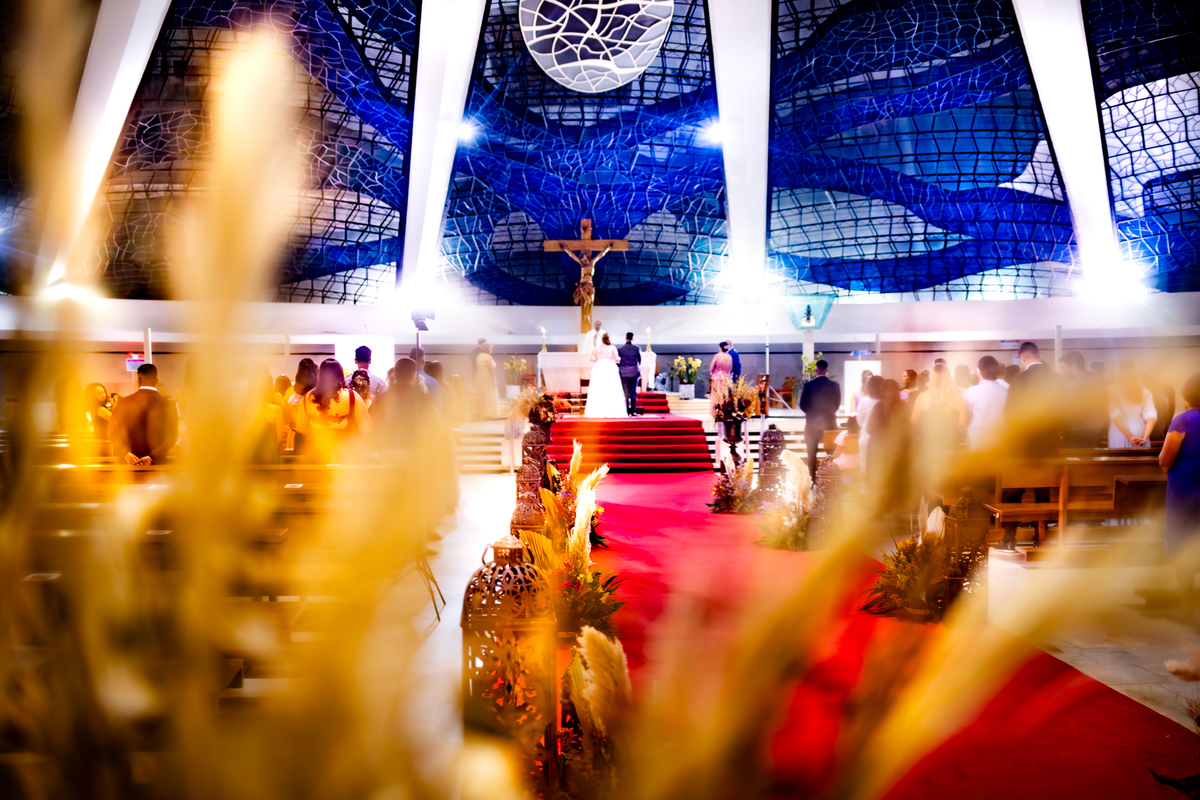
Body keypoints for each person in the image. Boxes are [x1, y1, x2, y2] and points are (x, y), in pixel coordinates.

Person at [997, 342, 1065, 550]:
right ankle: (1040, 537)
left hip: (1023, 446)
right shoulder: (1058, 380)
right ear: (1038, 354)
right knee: (1043, 492)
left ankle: (1009, 538)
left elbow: (1008, 414)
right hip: (1050, 446)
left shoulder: (1018, 380)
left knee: (1013, 491)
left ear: (1022, 358)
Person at [1160, 374, 1200, 618]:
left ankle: (1186, 598)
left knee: (1180, 537)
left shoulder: (1181, 422)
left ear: (1185, 395)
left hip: (1183, 487)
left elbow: (1165, 460)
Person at [293, 358, 370, 462]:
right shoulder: (352, 396)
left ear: (320, 376)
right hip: (345, 455)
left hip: (317, 456)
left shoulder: (307, 398)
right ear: (340, 375)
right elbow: (366, 428)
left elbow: (300, 428)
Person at [110, 364, 179, 466]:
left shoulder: (122, 402)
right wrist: (151, 457)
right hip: (158, 465)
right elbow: (172, 437)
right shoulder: (169, 404)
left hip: (127, 466)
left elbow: (114, 432)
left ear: (138, 380)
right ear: (156, 381)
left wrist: (126, 454)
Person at [799, 359, 841, 478]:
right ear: (826, 370)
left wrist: (812, 414)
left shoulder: (808, 385)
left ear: (816, 370)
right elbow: (837, 405)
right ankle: (830, 479)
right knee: (830, 454)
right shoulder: (835, 386)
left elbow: (802, 405)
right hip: (829, 425)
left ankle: (812, 481)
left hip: (812, 426)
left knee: (811, 455)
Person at [1060, 351, 1108, 448]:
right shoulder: (1098, 384)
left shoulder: (1072, 386)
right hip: (1095, 438)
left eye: (1064, 367)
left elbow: (1067, 414)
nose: (1063, 371)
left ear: (1072, 365)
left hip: (1075, 439)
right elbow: (1104, 412)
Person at [912, 363, 965, 449]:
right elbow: (963, 422)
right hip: (951, 445)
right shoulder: (958, 397)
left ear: (931, 377)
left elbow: (914, 420)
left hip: (929, 447)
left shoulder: (924, 396)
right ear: (949, 378)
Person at [961, 355, 1008, 450]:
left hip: (976, 446)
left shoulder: (971, 392)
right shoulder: (1007, 391)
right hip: (1000, 446)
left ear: (979, 371)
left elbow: (964, 420)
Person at [1108, 358, 1156, 449]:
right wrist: (1144, 438)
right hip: (1140, 430)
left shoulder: (1113, 391)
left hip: (1120, 432)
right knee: (1141, 461)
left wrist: (1130, 437)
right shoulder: (1145, 392)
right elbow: (1151, 417)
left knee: (1119, 461)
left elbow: (1115, 416)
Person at [584, 333, 627, 418]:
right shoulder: (612, 348)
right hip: (610, 367)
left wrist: (599, 358)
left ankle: (597, 411)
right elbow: (617, 359)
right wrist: (621, 359)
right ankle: (612, 410)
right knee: (611, 388)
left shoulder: (596, 348)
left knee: (598, 388)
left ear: (602, 339)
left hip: (599, 367)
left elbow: (592, 359)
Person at [857, 375, 884, 471]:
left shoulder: (864, 400)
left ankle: (864, 486)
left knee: (864, 466)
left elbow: (859, 420)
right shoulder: (885, 401)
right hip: (881, 439)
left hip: (865, 436)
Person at [617, 332, 642, 416]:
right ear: (633, 338)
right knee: (633, 392)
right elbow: (639, 360)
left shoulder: (620, 349)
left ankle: (627, 411)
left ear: (625, 338)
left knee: (626, 393)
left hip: (624, 373)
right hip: (634, 372)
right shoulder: (637, 348)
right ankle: (634, 411)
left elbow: (618, 362)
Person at [476, 343, 499, 419]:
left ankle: (483, 413)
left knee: (483, 395)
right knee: (489, 394)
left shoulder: (479, 356)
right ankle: (489, 413)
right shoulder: (487, 357)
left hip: (480, 377)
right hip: (487, 378)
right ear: (488, 349)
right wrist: (493, 380)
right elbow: (491, 369)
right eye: (491, 348)